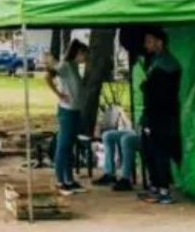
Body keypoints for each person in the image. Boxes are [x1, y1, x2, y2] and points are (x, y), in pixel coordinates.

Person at [139, 27, 182, 205]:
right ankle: (156, 186)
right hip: (153, 114)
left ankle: (164, 190)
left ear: (160, 42)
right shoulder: (155, 61)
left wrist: (146, 86)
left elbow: (155, 90)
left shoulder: (168, 64)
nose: (146, 45)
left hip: (162, 116)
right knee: (149, 150)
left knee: (160, 152)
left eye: (149, 41)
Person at [46, 39, 90, 196]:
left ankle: (69, 180)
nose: (86, 58)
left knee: (70, 146)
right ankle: (60, 181)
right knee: (63, 146)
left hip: (75, 110)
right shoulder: (65, 66)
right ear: (78, 53)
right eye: (85, 54)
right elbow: (48, 77)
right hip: (67, 111)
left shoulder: (74, 66)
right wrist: (59, 94)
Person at [93, 105, 138, 192]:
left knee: (126, 139)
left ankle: (125, 178)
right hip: (134, 131)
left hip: (143, 133)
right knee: (107, 135)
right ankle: (109, 173)